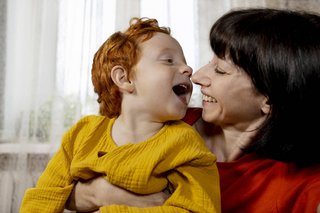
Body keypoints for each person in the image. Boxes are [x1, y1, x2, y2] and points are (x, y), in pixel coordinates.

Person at [67, 8, 320, 213]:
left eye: (220, 70)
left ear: (269, 98)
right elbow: (64, 188)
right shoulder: (159, 119)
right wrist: (102, 192)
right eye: (211, 62)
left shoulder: (304, 186)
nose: (197, 76)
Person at [19, 17, 221, 213]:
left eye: (184, 61)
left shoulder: (185, 143)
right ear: (124, 78)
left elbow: (200, 208)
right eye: (169, 60)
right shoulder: (83, 133)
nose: (188, 68)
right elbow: (43, 196)